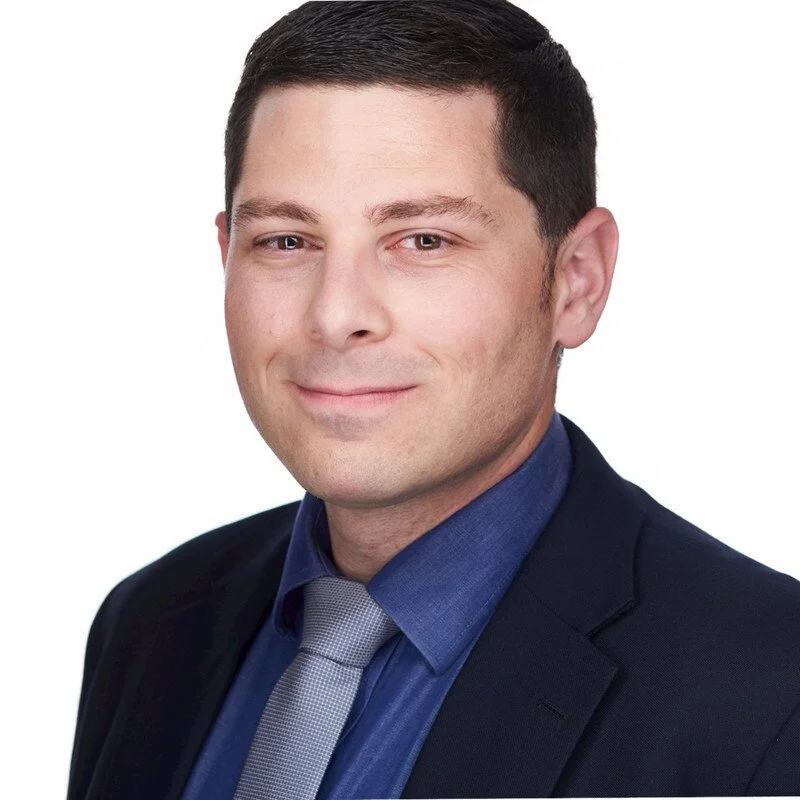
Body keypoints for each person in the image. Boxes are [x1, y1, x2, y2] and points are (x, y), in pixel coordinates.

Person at [66, 1, 800, 797]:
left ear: (577, 281)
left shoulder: (770, 691)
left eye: (424, 241)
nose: (336, 314)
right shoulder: (149, 625)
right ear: (225, 256)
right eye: (286, 240)